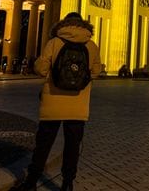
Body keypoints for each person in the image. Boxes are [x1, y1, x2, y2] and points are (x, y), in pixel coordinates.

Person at [10, 12, 101, 191]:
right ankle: (67, 183)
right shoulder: (91, 45)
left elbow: (42, 69)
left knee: (43, 144)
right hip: (78, 104)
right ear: (83, 25)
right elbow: (96, 72)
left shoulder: (54, 42)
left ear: (64, 24)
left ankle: (31, 181)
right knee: (73, 146)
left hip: (53, 101)